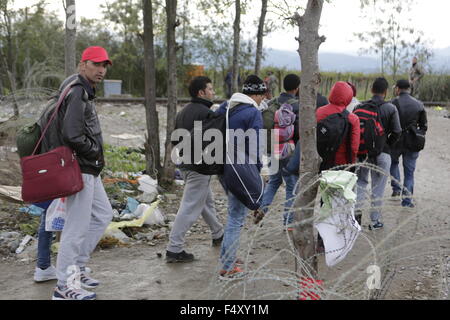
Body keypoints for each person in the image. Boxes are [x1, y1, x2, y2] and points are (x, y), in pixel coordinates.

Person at [38, 46, 113, 300]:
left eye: (104, 65)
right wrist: (93, 151)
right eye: (96, 64)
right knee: (75, 228)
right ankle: (64, 286)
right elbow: (72, 133)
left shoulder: (77, 86)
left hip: (88, 167)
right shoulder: (79, 90)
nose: (101, 70)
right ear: (83, 65)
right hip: (80, 167)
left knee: (103, 214)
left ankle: (78, 268)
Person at [166, 76, 224, 263]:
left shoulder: (183, 112)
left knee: (205, 201)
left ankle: (218, 233)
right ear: (201, 92)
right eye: (210, 89)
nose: (213, 92)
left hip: (183, 164)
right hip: (199, 167)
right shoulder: (207, 113)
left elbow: (175, 140)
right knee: (190, 206)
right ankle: (174, 249)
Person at [216, 75, 266, 279]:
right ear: (255, 94)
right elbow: (255, 146)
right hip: (240, 168)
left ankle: (228, 257)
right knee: (236, 218)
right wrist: (258, 172)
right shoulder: (252, 112)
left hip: (222, 167)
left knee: (233, 213)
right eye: (262, 95)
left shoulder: (225, 107)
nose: (262, 99)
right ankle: (228, 268)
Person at [355, 78, 402, 230]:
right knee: (378, 187)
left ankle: (356, 218)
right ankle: (375, 222)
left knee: (361, 183)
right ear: (385, 92)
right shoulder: (390, 108)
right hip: (382, 153)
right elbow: (397, 131)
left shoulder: (359, 106)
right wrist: (387, 144)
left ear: (371, 90)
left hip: (362, 153)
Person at [260, 74, 301, 229]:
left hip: (272, 149)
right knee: (291, 186)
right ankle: (288, 222)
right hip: (288, 151)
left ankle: (262, 208)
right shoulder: (297, 106)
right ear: (297, 88)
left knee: (274, 181)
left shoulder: (272, 102)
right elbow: (298, 132)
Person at [390, 80, 428, 208]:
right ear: (409, 88)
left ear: (398, 89)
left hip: (396, 141)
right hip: (412, 141)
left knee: (393, 163)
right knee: (409, 173)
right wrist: (417, 133)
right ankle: (407, 201)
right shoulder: (418, 104)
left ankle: (396, 187)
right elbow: (424, 126)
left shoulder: (392, 103)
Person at [316, 81, 361, 170]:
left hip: (320, 162)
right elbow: (354, 147)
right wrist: (352, 164)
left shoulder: (319, 112)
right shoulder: (352, 118)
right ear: (349, 97)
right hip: (341, 164)